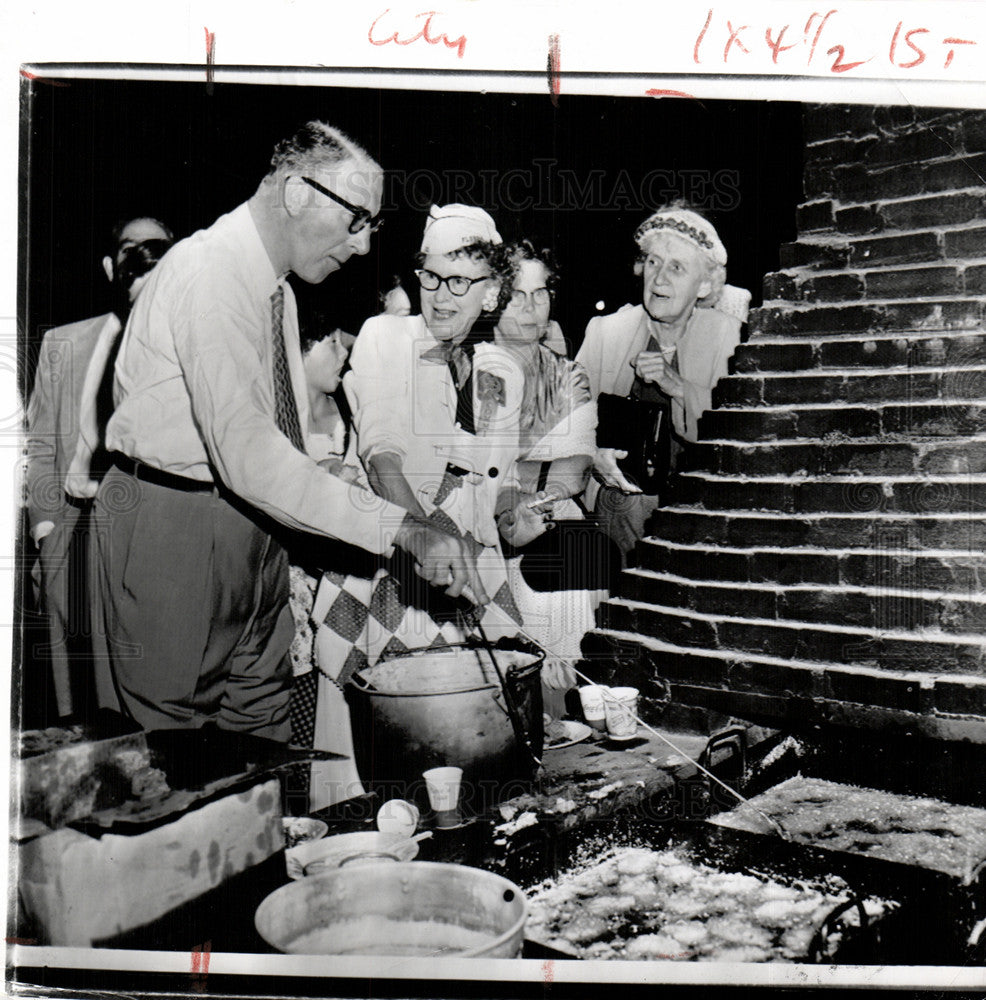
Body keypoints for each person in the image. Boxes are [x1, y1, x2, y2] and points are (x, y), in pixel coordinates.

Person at [94, 122, 486, 741]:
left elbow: (278, 453)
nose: (361, 247)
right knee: (174, 755)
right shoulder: (211, 274)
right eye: (356, 219)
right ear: (298, 193)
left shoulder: (277, 292)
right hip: (179, 527)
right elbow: (248, 457)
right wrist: (403, 528)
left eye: (371, 227)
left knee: (263, 729)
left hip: (256, 528)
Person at [312, 204, 529, 686]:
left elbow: (500, 485)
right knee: (396, 716)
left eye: (459, 282)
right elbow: (380, 453)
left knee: (486, 710)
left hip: (470, 563)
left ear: (491, 292)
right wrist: (422, 535)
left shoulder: (499, 371)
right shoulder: (388, 335)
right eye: (431, 277)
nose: (440, 296)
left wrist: (519, 511)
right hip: (392, 557)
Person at [25, 216, 173, 720]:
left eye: (157, 250)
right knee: (79, 701)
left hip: (143, 540)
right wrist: (46, 533)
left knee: (143, 693)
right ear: (111, 266)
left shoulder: (181, 347)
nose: (143, 259)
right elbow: (41, 445)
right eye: (132, 249)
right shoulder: (63, 343)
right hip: (74, 533)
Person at [576, 204, 750, 558]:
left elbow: (741, 431)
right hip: (621, 499)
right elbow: (565, 420)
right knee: (626, 506)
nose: (658, 279)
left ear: (703, 285)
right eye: (653, 262)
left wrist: (676, 385)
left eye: (676, 268)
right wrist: (593, 455)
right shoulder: (606, 332)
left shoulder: (729, 337)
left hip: (702, 498)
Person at [491, 240, 618, 714]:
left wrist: (511, 481)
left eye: (540, 293)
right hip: (483, 538)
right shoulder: (465, 371)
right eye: (515, 294)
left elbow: (571, 472)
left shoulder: (569, 375)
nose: (530, 308)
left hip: (553, 533)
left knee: (559, 688)